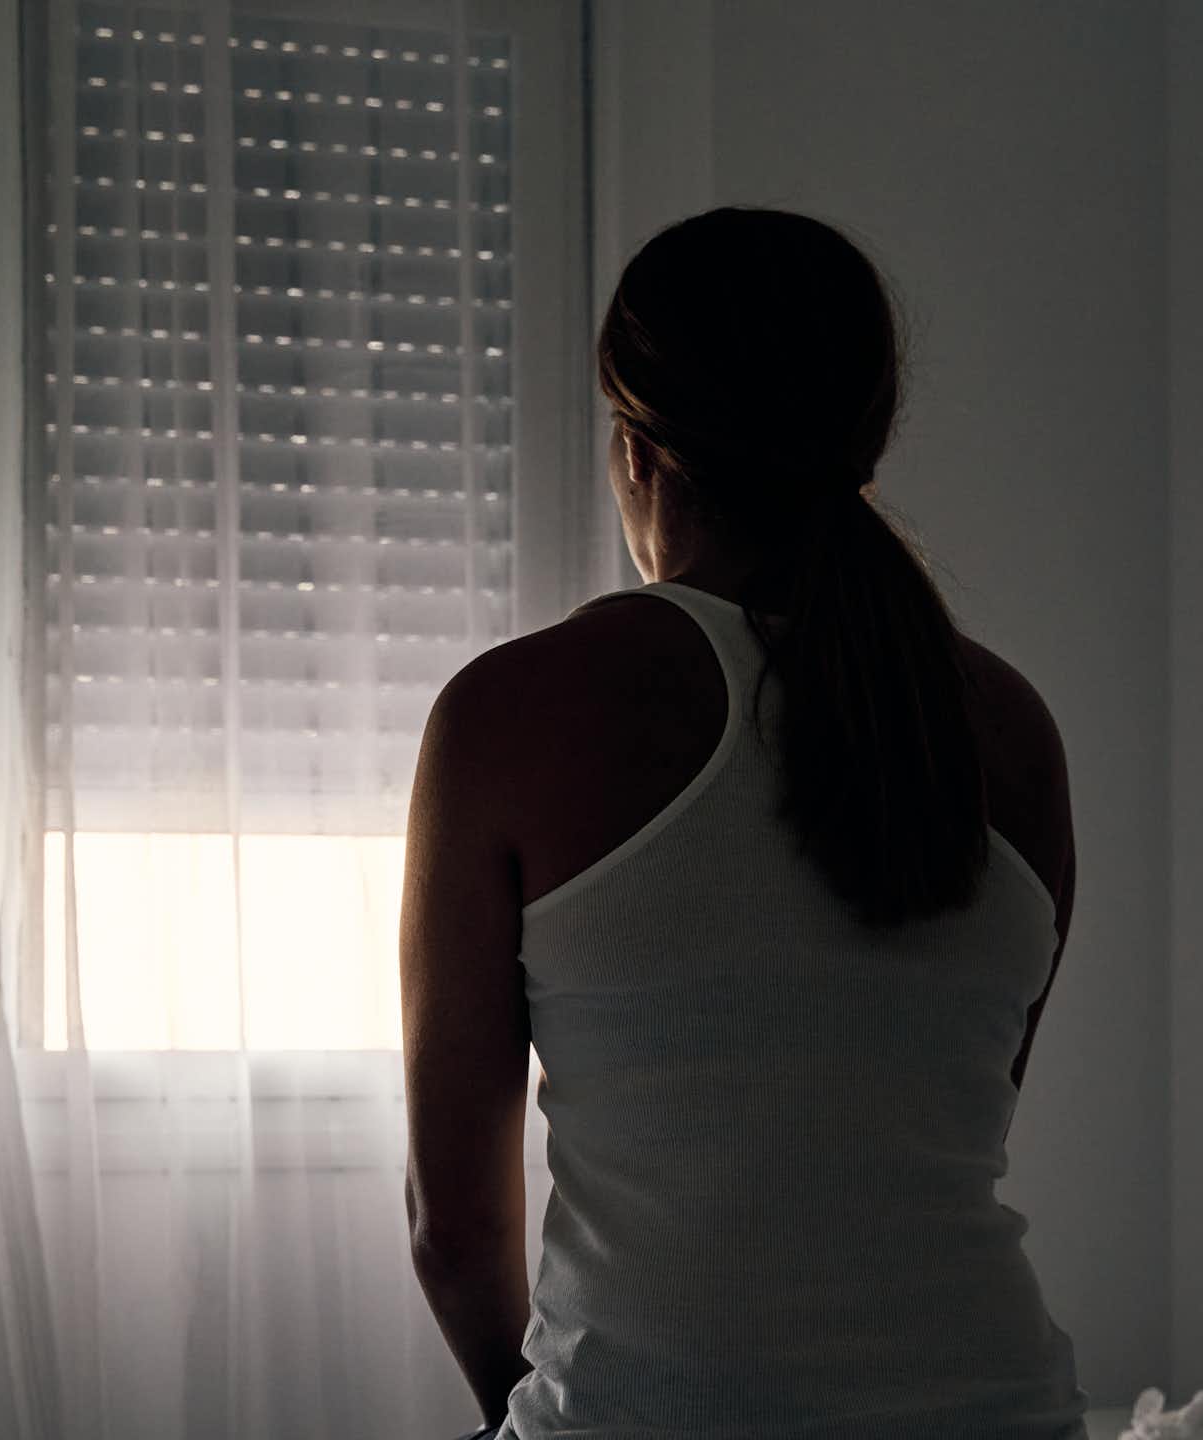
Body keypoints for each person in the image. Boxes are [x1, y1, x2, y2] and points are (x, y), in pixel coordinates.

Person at [399, 206, 1088, 1440]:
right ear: (868, 436)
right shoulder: (1009, 728)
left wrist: (521, 1413)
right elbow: (914, 1138)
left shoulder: (509, 715)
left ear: (634, 448)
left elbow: (454, 1233)